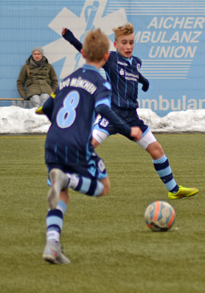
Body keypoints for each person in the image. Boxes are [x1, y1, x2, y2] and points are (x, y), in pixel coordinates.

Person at [62, 23, 199, 200]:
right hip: (111, 115)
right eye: (124, 43)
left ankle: (174, 190)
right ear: (116, 44)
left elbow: (134, 73)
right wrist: (71, 38)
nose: (128, 47)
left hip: (131, 118)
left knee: (157, 150)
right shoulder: (109, 59)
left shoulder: (136, 62)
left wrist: (144, 81)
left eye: (131, 43)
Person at [41, 29, 142, 265]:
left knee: (59, 194)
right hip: (77, 144)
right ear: (107, 57)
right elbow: (106, 110)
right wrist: (129, 130)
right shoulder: (100, 82)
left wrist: (60, 127)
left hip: (53, 141)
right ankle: (68, 180)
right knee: (103, 186)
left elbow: (47, 108)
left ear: (83, 53)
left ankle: (52, 243)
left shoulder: (67, 79)